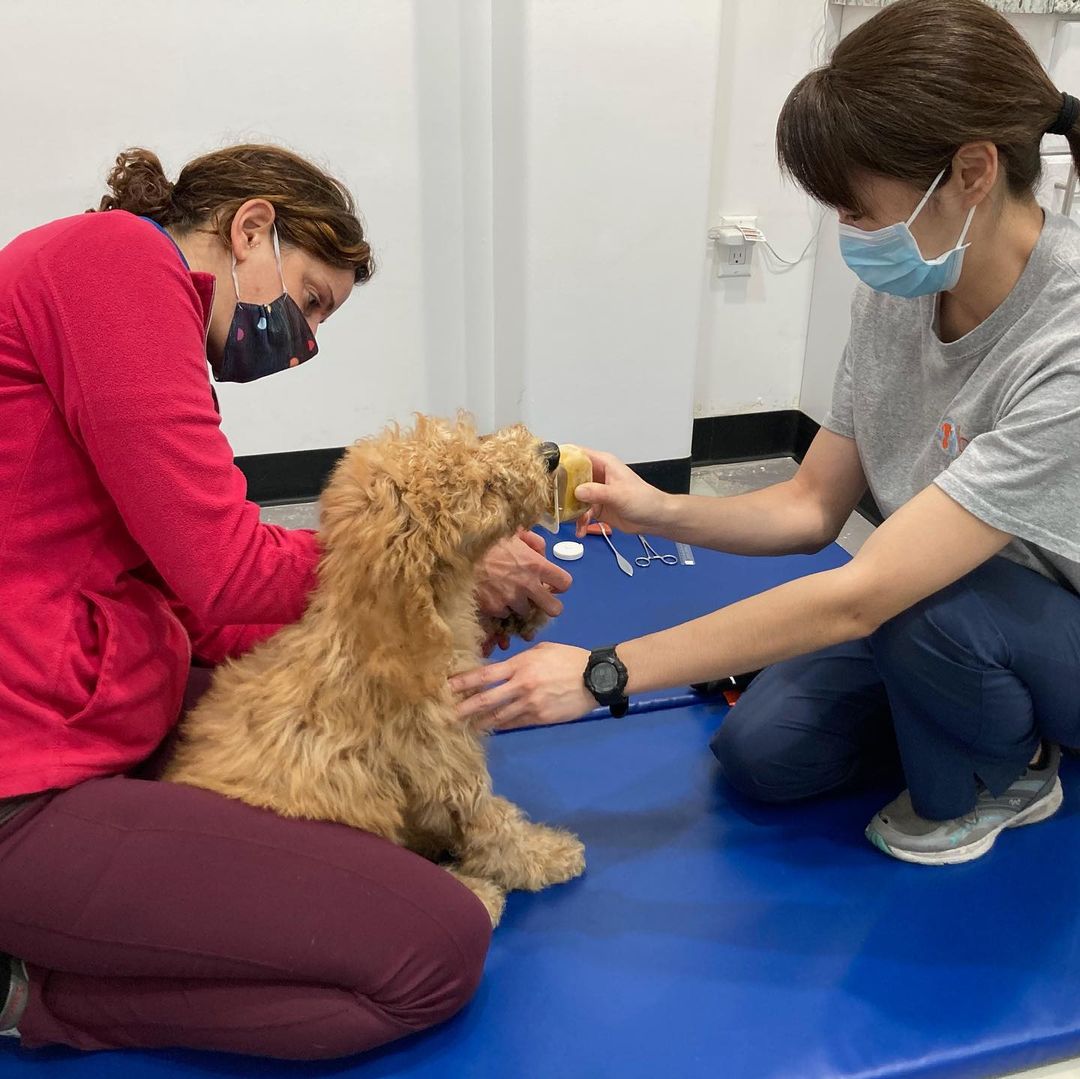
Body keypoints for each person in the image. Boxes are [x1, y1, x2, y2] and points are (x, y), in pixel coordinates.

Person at [452, 0, 1080, 868]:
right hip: (936, 600)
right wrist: (655, 508)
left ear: (972, 171)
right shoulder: (904, 292)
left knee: (919, 609)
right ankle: (959, 709)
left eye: (859, 209)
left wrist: (604, 672)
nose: (851, 235)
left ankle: (1014, 772)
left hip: (1025, 621)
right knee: (767, 753)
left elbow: (865, 593)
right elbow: (812, 504)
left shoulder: (1066, 345)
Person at [0, 144, 571, 1058]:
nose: (301, 341)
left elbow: (204, 600)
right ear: (251, 228)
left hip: (75, 692)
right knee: (432, 949)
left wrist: (440, 601)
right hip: (20, 786)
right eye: (309, 300)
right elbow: (226, 569)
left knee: (345, 716)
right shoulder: (116, 264)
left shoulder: (117, 290)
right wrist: (434, 554)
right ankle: (29, 990)